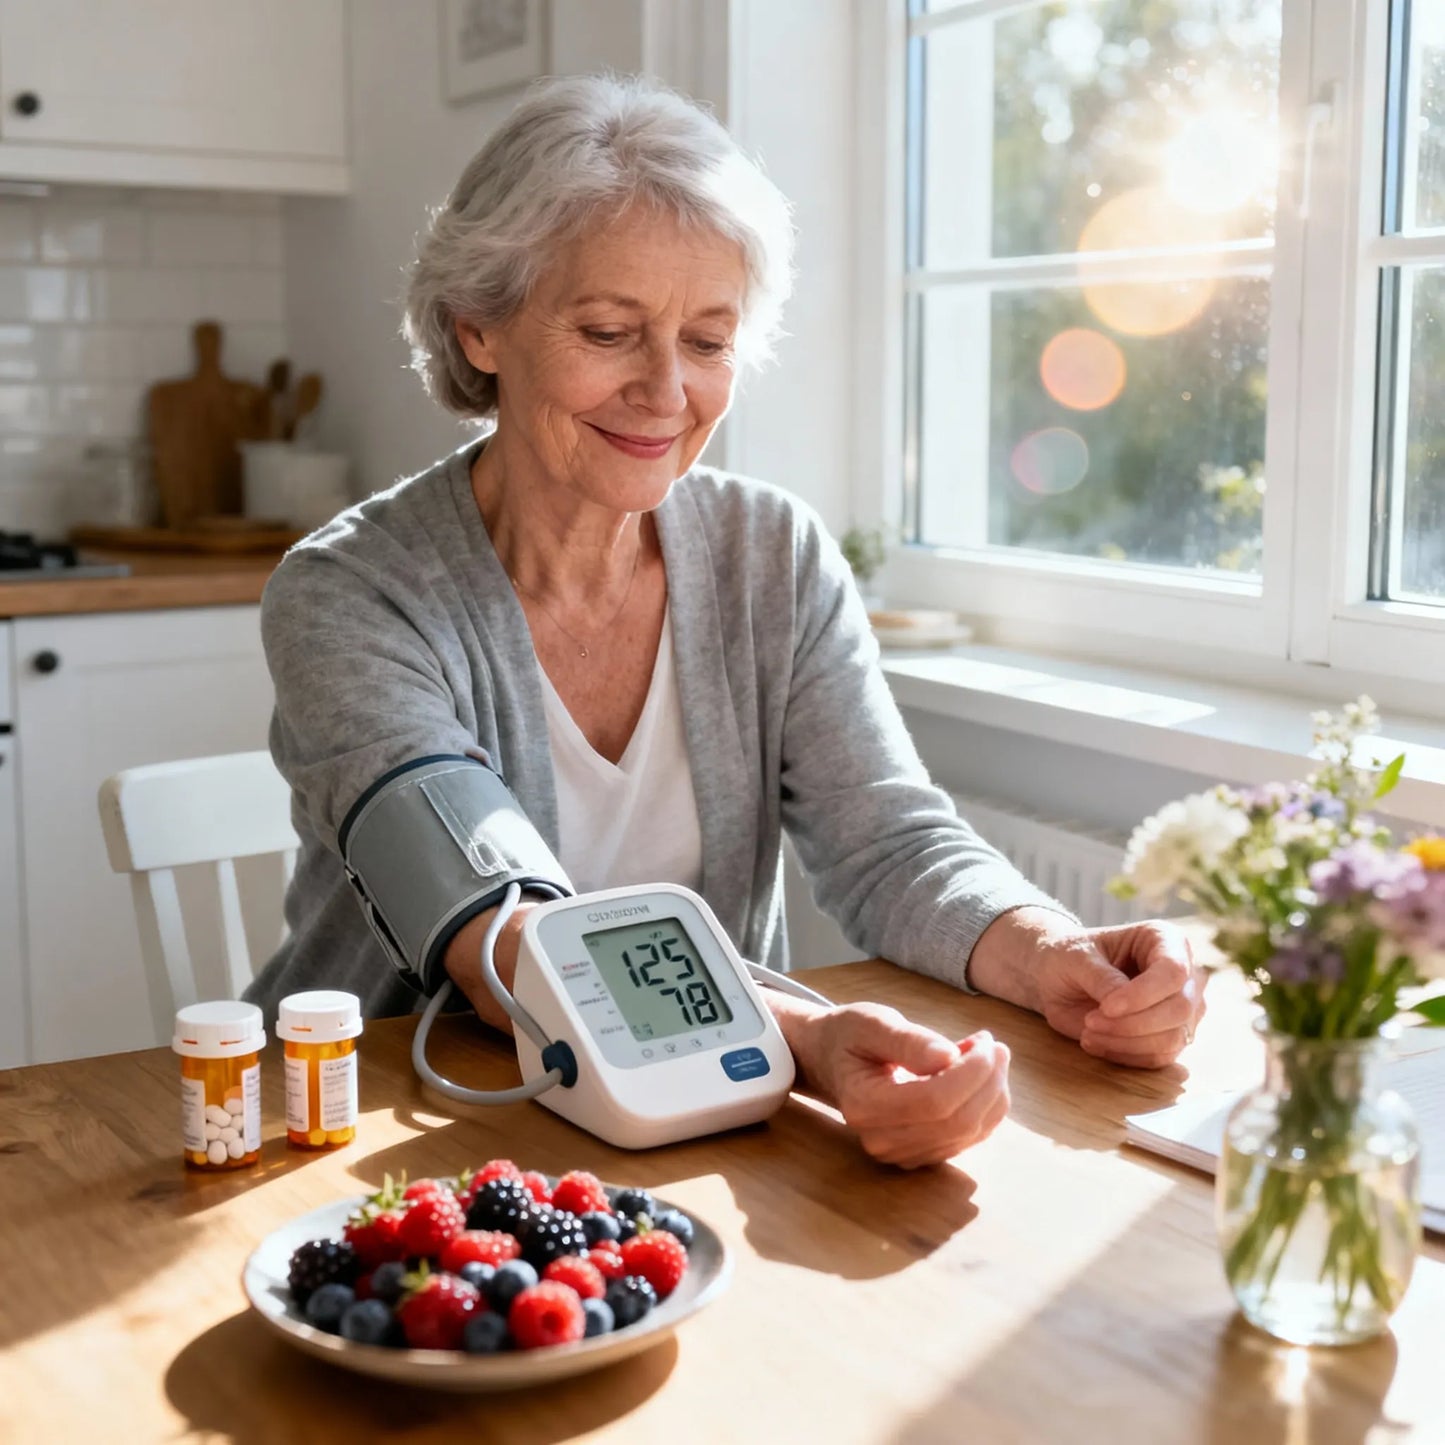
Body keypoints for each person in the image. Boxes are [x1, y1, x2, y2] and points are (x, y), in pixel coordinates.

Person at [245, 73, 1205, 1170]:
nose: (666, 391)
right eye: (609, 330)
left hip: (696, 1126)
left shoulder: (771, 554)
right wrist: (805, 1035)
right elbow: (502, 934)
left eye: (707, 341)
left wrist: (1057, 956)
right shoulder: (350, 592)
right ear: (480, 327)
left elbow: (885, 840)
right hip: (383, 1132)